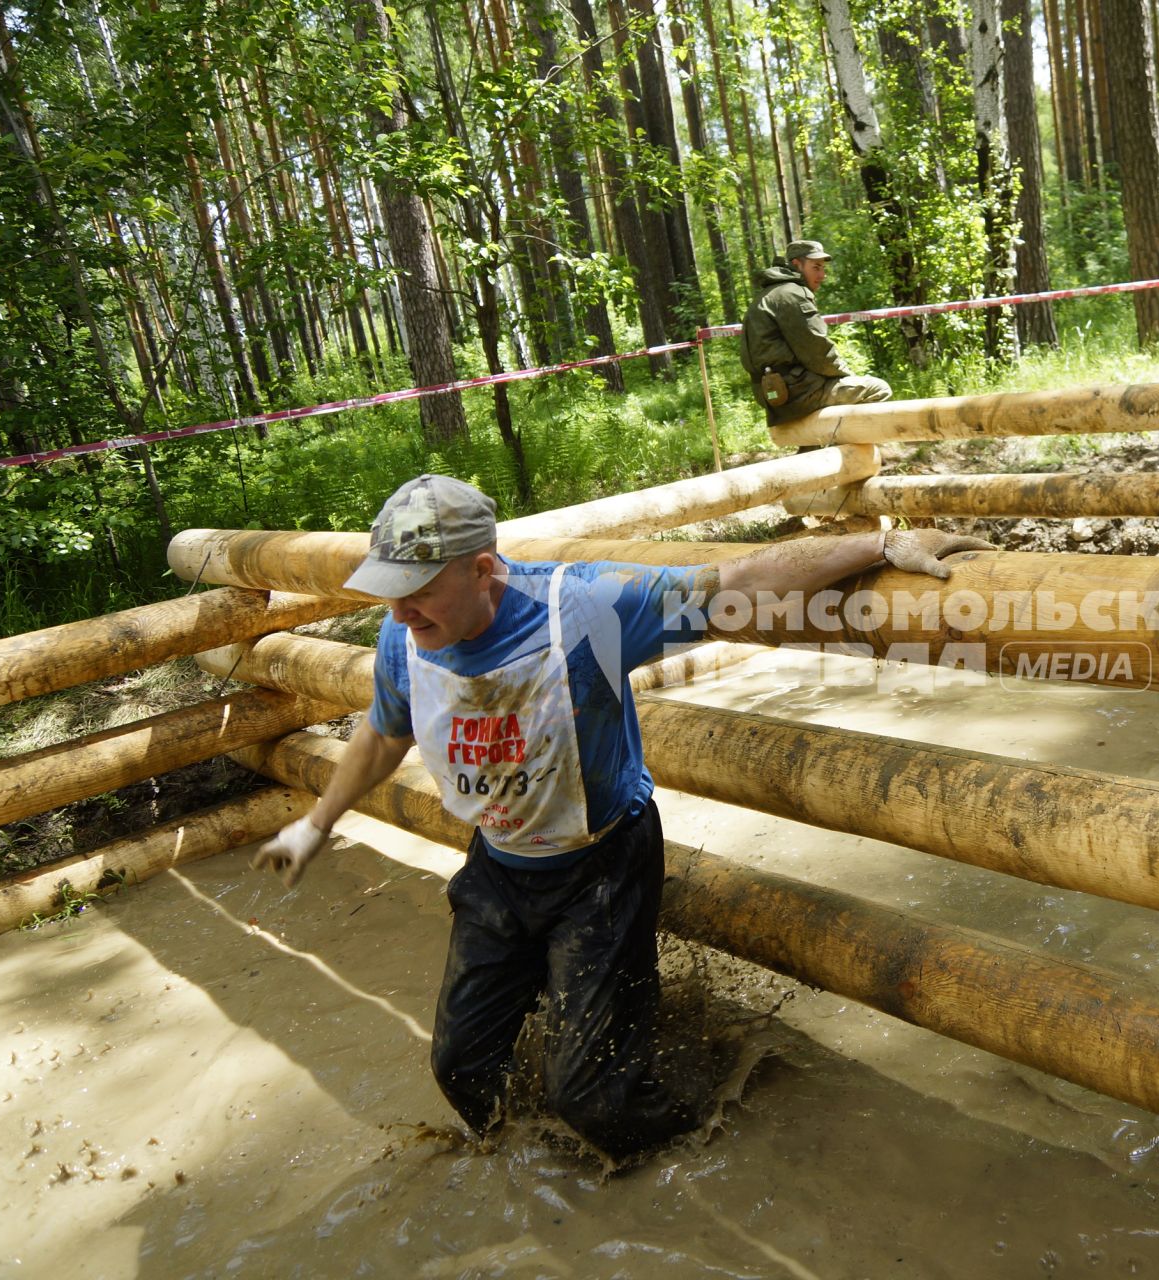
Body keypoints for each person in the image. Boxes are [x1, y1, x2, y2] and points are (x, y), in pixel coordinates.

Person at [249, 473, 990, 1159]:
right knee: (462, 1070)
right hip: (498, 868)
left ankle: (694, 1139)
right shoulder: (402, 639)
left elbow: (738, 580)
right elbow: (383, 733)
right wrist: (315, 825)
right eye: (390, 590)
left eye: (418, 589)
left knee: (594, 1102)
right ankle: (535, 1164)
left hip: (602, 867)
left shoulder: (583, 609)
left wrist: (883, 543)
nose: (401, 610)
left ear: (483, 567)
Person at [740, 239, 892, 423]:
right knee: (878, 389)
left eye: (823, 268)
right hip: (797, 392)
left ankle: (812, 446)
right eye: (816, 267)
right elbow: (819, 354)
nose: (822, 275)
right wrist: (848, 375)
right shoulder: (794, 294)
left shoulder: (768, 294)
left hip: (772, 393)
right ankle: (850, 449)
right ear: (797, 265)